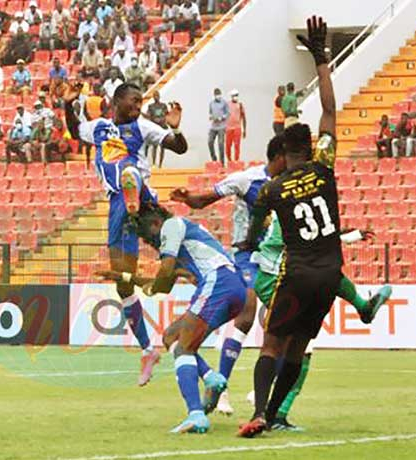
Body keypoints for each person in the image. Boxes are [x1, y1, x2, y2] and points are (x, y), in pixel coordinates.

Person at [170, 136, 389, 420]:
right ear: (281, 158)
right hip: (254, 258)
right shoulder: (250, 181)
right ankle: (225, 388)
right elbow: (207, 199)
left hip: (286, 262)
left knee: (295, 341)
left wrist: (351, 233)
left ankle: (269, 408)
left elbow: (314, 226)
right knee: (251, 315)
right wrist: (188, 199)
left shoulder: (289, 187)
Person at [235, 16, 341, 438]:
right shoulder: (325, 166)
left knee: (272, 344)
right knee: (299, 347)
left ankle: (259, 412)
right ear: (311, 147)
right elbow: (331, 110)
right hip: (330, 272)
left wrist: (248, 239)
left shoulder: (273, 189)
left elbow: (257, 221)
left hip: (295, 274)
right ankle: (275, 414)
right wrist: (321, 60)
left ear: (284, 153)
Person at [64, 80, 187, 385]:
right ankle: (148, 349)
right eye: (134, 101)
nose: (138, 106)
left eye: (140, 102)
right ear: (117, 102)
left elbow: (179, 148)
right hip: (118, 206)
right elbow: (74, 130)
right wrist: (68, 104)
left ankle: (136, 198)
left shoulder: (143, 127)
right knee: (123, 282)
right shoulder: (100, 128)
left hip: (141, 197)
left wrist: (175, 130)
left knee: (129, 171)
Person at [94, 201, 252, 434]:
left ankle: (196, 415)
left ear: (156, 223)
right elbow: (164, 285)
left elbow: (164, 274)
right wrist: (122, 277)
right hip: (231, 288)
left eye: (148, 236)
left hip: (218, 283)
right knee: (170, 336)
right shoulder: (181, 238)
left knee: (184, 349)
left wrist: (154, 285)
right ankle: (211, 377)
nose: (150, 242)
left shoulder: (172, 225)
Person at [145, 92, 168, 167]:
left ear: (159, 96)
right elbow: (148, 115)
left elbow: (166, 114)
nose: (156, 97)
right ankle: (154, 163)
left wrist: (163, 120)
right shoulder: (151, 106)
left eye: (157, 96)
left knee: (163, 146)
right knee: (154, 146)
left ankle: (160, 164)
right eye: (154, 96)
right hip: (154, 127)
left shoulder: (163, 106)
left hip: (163, 127)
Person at [207, 88, 229, 165]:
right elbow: (210, 113)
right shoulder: (211, 103)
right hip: (213, 126)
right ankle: (214, 160)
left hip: (221, 127)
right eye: (217, 95)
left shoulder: (224, 103)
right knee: (210, 142)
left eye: (219, 94)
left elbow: (227, 113)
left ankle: (222, 163)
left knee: (220, 144)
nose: (218, 96)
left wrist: (222, 117)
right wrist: (211, 117)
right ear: (214, 95)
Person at [225, 89, 247, 162]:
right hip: (228, 128)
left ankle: (236, 161)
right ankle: (229, 160)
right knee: (228, 146)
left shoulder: (240, 105)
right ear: (231, 96)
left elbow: (244, 118)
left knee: (237, 145)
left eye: (236, 95)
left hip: (237, 128)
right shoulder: (227, 105)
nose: (235, 97)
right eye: (234, 96)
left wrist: (244, 130)